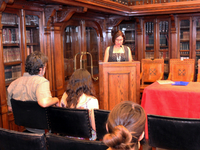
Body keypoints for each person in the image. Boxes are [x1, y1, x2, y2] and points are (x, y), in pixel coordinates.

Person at [7, 51, 59, 133]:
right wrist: (56, 99)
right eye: (45, 67)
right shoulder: (41, 81)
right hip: (43, 130)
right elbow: (44, 103)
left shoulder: (13, 83)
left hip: (26, 129)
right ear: (41, 69)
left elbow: (10, 108)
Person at [60, 68, 99, 140]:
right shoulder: (92, 101)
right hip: (86, 141)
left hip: (67, 138)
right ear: (88, 83)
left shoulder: (64, 95)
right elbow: (94, 127)